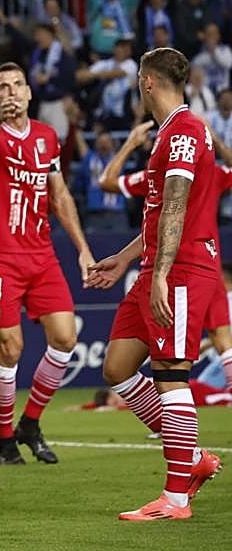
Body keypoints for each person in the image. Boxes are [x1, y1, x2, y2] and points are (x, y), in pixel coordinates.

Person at [85, 48, 223, 520]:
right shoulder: (169, 133)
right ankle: (193, 458)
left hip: (181, 268)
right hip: (155, 266)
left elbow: (178, 206)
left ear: (147, 82)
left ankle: (176, 499)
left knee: (170, 372)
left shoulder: (184, 131)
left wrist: (161, 274)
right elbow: (159, 213)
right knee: (118, 368)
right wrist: (126, 259)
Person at [0, 63, 94, 465]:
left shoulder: (47, 137)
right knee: (11, 349)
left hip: (41, 255)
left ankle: (30, 422)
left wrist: (82, 248)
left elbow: (59, 196)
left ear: (28, 92)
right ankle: (5, 441)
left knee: (65, 338)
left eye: (17, 85)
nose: (10, 91)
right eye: (2, 87)